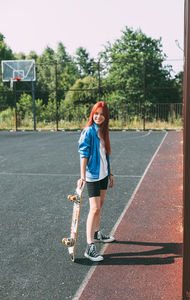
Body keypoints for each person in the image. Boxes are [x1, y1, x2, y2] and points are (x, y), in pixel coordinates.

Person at [77, 101, 115, 262]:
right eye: (96, 113)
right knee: (94, 209)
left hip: (104, 174)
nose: (98, 117)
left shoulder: (103, 132)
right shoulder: (88, 131)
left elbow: (105, 154)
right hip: (92, 175)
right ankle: (89, 246)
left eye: (101, 114)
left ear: (106, 117)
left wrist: (110, 172)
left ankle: (97, 233)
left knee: (100, 206)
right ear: (92, 114)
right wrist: (82, 176)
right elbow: (83, 153)